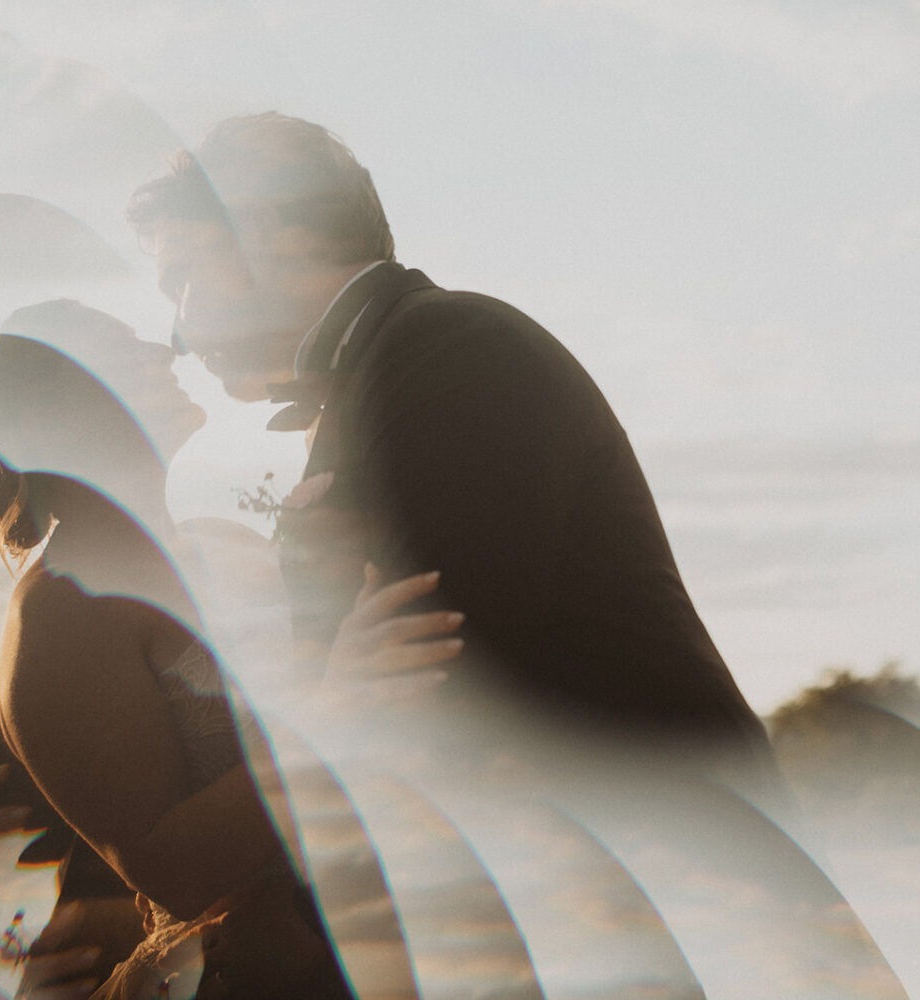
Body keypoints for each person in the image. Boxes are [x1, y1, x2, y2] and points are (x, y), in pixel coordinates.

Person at [126, 112, 774, 779]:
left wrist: (323, 642)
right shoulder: (396, 360)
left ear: (257, 232)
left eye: (180, 280)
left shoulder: (444, 351)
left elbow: (429, 684)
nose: (177, 332)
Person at [0, 306, 356, 998]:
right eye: (125, 348)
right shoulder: (60, 614)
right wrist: (345, 704)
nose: (163, 350)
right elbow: (178, 869)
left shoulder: (216, 536)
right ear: (73, 408)